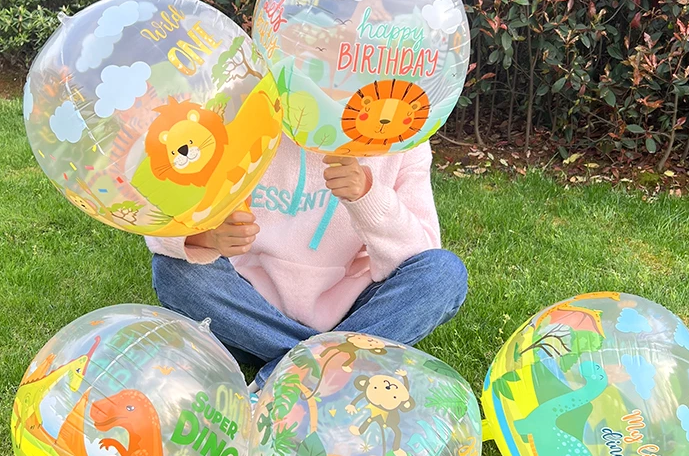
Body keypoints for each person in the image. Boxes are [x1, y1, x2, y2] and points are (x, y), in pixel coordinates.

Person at [147, 135, 468, 394]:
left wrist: (367, 195)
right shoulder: (249, 113)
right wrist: (207, 237)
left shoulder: (404, 138)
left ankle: (287, 372)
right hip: (250, 315)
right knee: (175, 272)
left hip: (353, 312)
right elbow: (162, 238)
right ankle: (331, 370)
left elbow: (421, 257)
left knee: (444, 275)